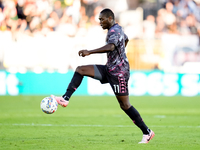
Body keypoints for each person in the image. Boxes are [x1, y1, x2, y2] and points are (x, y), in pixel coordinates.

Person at [51, 8, 154, 144]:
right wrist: (120, 53)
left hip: (119, 73)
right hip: (109, 68)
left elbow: (111, 47)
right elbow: (126, 39)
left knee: (125, 105)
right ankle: (65, 98)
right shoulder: (118, 30)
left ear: (110, 18)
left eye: (102, 19)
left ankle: (147, 132)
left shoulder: (114, 31)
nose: (100, 22)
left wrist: (89, 52)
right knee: (81, 69)